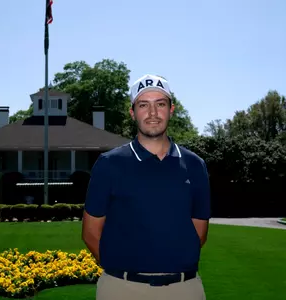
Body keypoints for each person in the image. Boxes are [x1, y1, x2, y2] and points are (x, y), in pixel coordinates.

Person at [82, 74, 211, 300]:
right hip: (121, 289)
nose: (152, 113)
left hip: (184, 289)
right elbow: (91, 232)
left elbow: (199, 233)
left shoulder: (195, 165)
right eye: (144, 105)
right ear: (133, 112)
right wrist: (122, 271)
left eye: (160, 104)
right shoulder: (109, 164)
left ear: (171, 110)